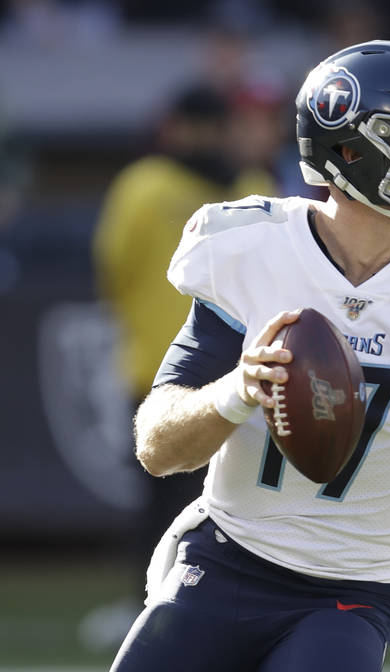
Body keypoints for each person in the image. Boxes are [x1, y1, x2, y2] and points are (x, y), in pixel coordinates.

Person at [102, 40, 390, 672]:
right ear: (350, 149)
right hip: (227, 562)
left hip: (352, 592)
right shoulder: (253, 247)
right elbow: (155, 445)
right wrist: (236, 392)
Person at [92, 82, 276, 588]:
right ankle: (162, 599)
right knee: (175, 498)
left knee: (184, 501)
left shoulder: (148, 184)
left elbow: (113, 268)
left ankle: (163, 601)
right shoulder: (158, 184)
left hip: (208, 368)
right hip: (201, 368)